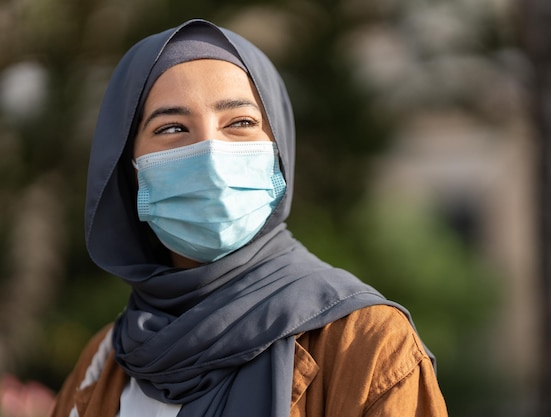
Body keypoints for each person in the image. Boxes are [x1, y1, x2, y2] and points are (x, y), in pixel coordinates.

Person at [50, 18, 448, 417]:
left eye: (240, 122)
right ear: (129, 168)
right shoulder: (105, 362)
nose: (209, 153)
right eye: (171, 127)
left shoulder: (364, 346)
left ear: (278, 151)